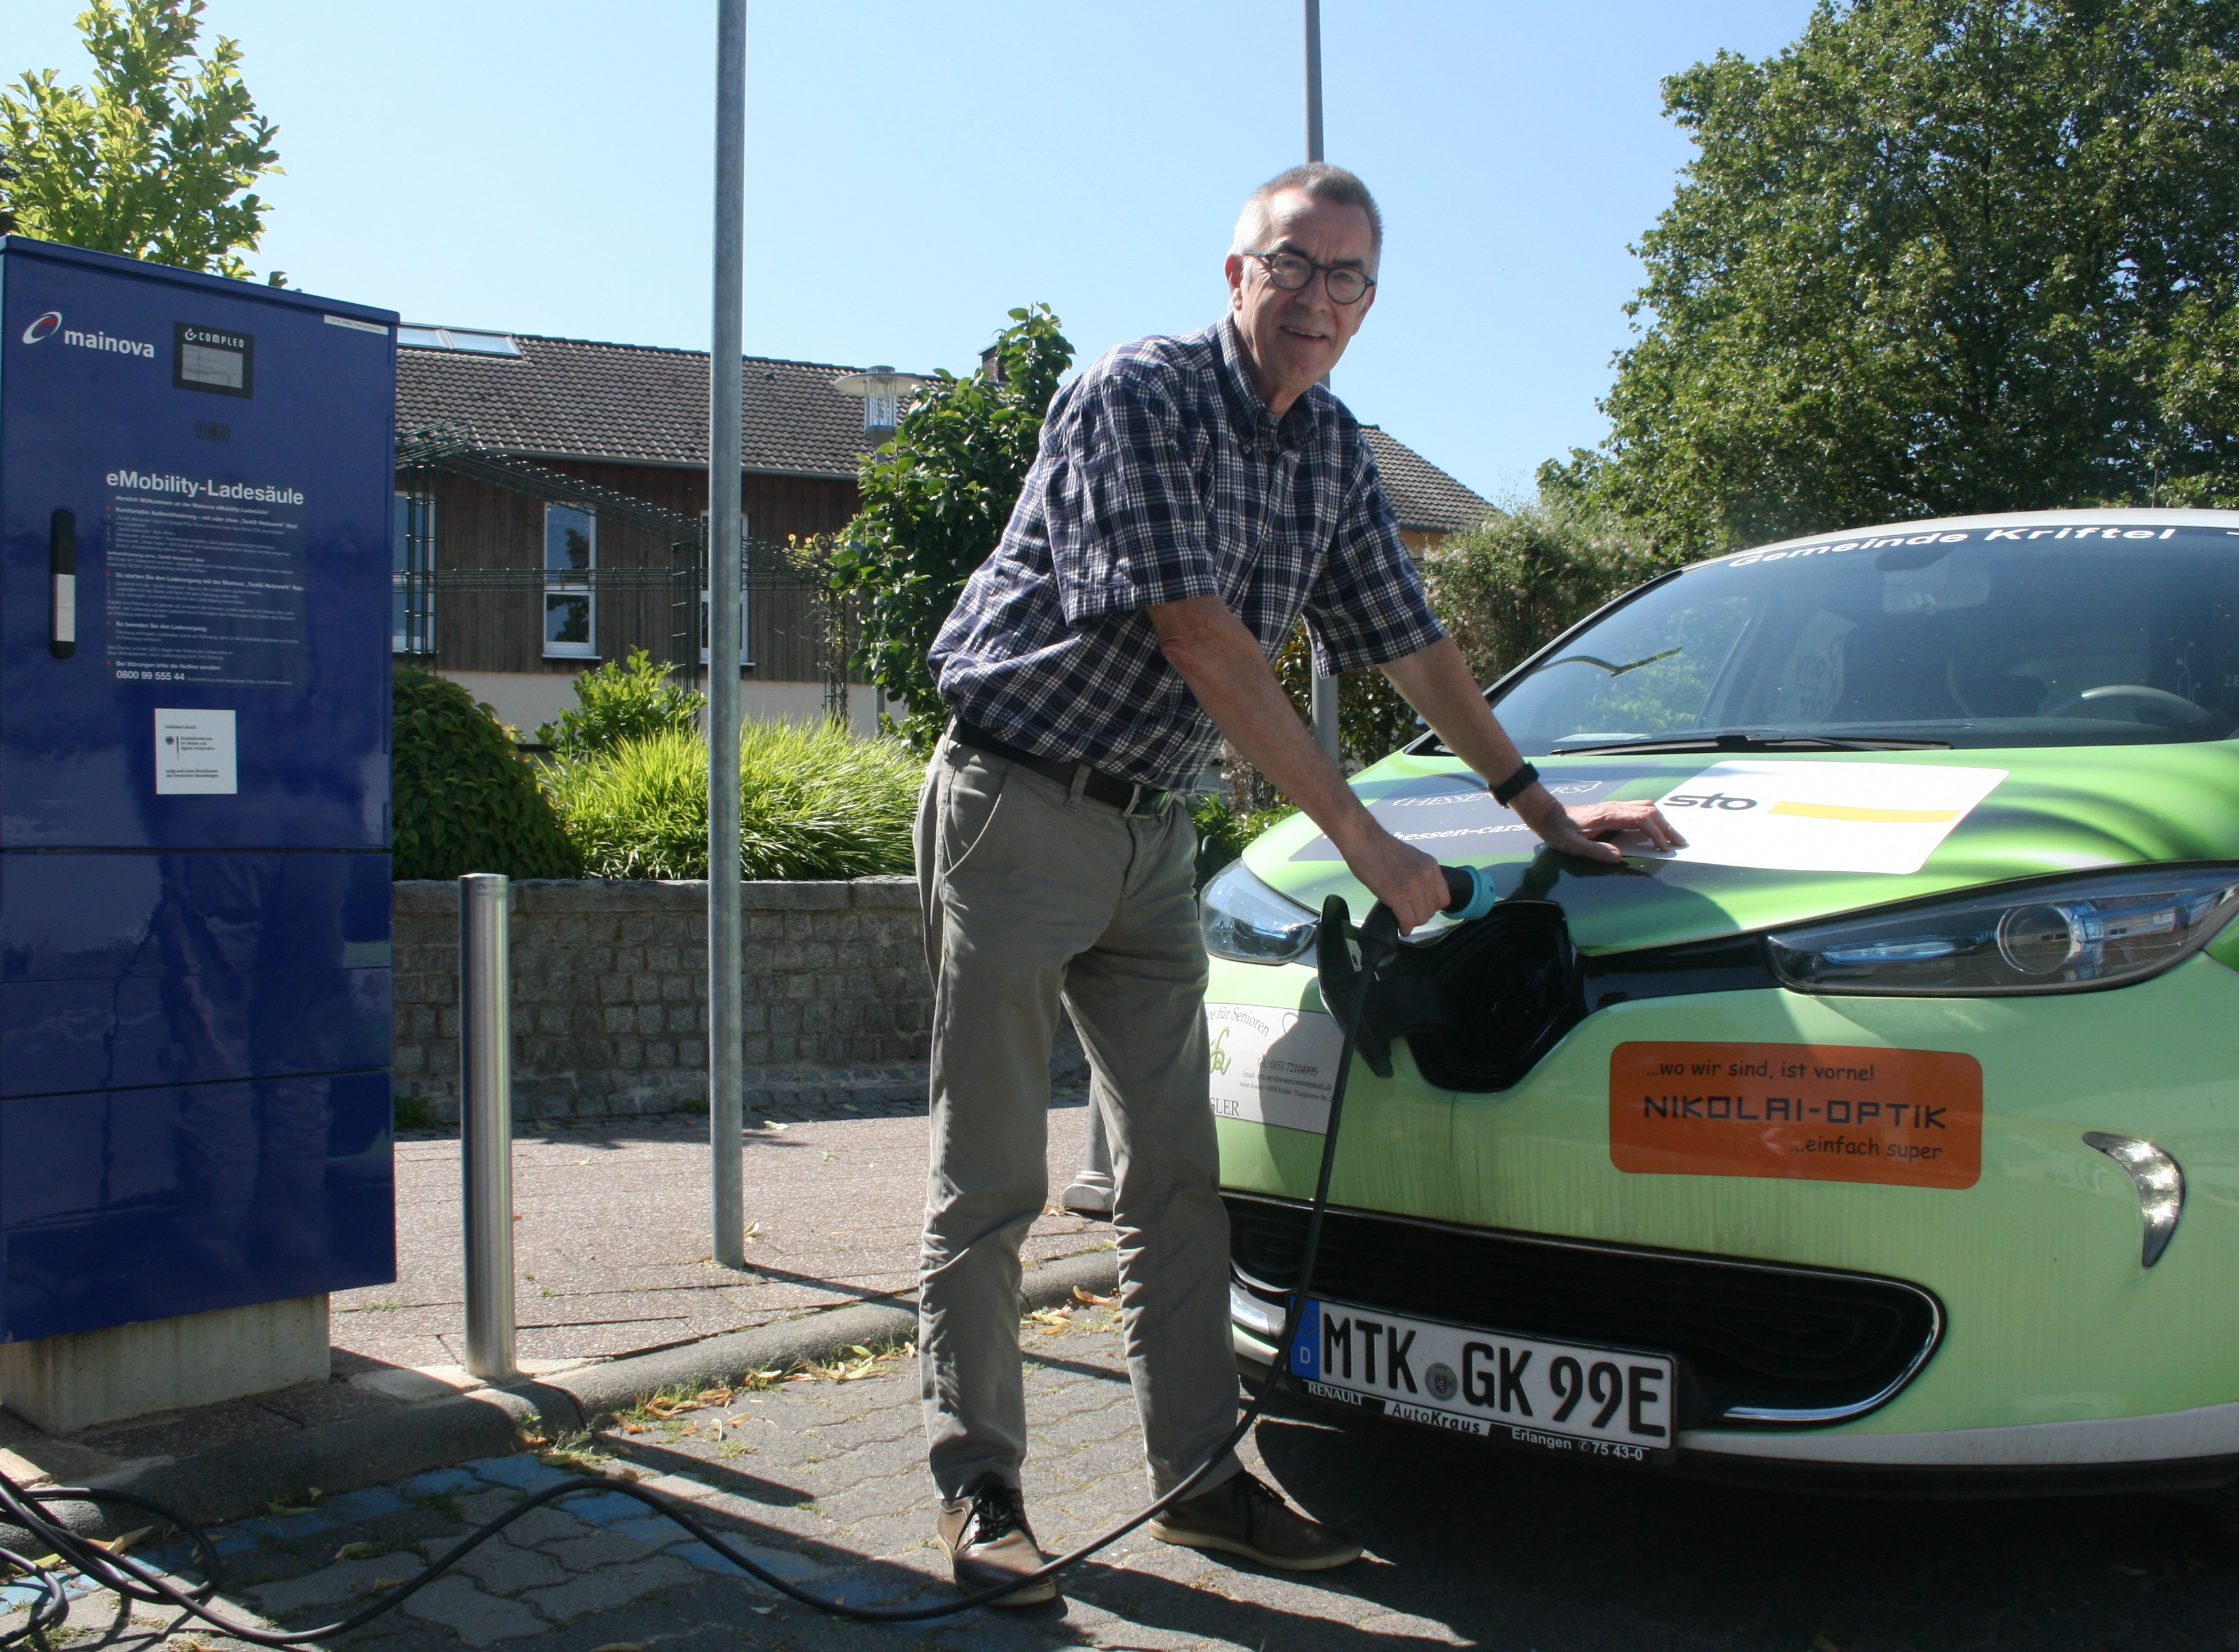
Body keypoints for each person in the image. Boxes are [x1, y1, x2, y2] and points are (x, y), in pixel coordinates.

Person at [915, 162, 1683, 1605]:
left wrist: (1538, 801)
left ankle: (1201, 1482)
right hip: (1018, 805)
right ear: (1234, 273)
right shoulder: (1135, 391)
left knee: (1178, 1175)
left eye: (1350, 280)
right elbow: (1201, 635)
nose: (1318, 302)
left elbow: (1412, 640)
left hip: (1151, 832)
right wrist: (1364, 841)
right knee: (994, 1177)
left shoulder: (1331, 449)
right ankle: (985, 1493)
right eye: (1294, 266)